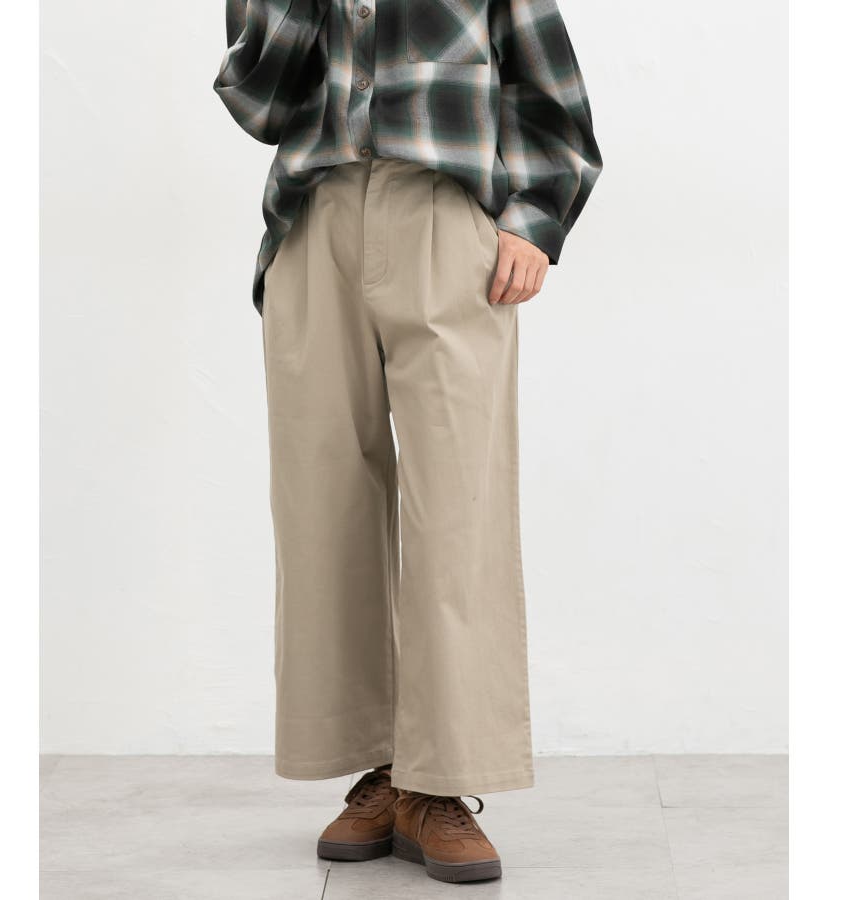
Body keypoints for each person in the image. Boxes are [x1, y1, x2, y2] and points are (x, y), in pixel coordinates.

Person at [214, 0, 601, 883]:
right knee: (322, 508)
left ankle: (443, 783)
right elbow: (258, 101)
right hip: (314, 220)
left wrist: (533, 218)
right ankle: (380, 772)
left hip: (445, 216)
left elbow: (552, 93)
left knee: (458, 508)